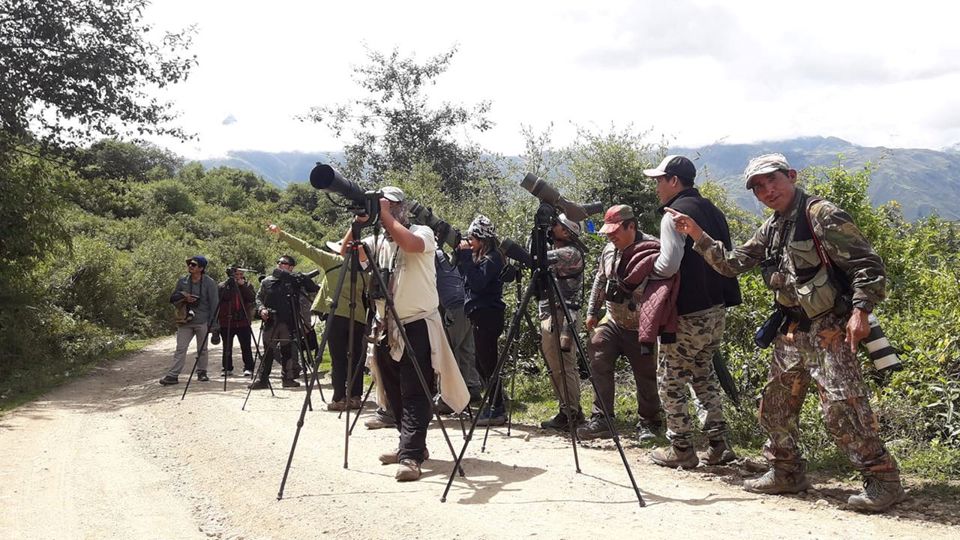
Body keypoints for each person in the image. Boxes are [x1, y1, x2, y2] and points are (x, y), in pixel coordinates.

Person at [666, 153, 905, 512]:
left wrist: (861, 312)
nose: (766, 190)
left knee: (843, 410)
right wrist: (697, 235)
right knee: (774, 406)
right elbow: (732, 265)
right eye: (758, 187)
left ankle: (883, 479)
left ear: (791, 176)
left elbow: (867, 265)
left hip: (829, 329)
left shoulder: (821, 214)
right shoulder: (773, 227)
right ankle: (786, 470)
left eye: (771, 180)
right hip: (791, 330)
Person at [341, 187, 468, 482]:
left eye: (390, 204)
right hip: (386, 324)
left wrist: (383, 215)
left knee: (415, 389)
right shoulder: (378, 241)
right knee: (391, 388)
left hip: (418, 324)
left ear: (401, 207)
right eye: (382, 204)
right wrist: (358, 224)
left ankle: (410, 456)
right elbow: (346, 252)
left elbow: (410, 245)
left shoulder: (423, 232)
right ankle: (411, 445)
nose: (385, 208)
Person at [642, 155, 741, 468]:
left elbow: (669, 264)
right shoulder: (713, 210)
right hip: (716, 309)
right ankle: (718, 443)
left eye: (659, 180)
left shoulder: (673, 215)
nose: (657, 187)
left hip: (686, 312)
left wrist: (647, 272)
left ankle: (681, 448)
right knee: (703, 372)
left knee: (670, 377)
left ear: (674, 181)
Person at [578, 205, 665, 442]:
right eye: (608, 232)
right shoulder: (609, 250)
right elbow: (600, 278)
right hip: (613, 320)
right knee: (598, 353)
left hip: (642, 325)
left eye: (616, 231)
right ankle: (602, 418)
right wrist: (592, 311)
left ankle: (649, 421)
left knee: (645, 373)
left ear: (631, 226)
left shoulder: (654, 248)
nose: (611, 236)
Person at [269, 225, 368, 411]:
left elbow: (306, 247)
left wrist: (282, 234)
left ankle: (339, 398)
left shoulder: (332, 261)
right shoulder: (364, 269)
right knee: (355, 358)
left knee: (338, 358)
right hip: (359, 317)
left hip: (337, 315)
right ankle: (355, 397)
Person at [456, 215, 507, 426]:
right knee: (481, 362)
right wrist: (461, 257)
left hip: (489, 315)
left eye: (472, 239)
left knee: (488, 362)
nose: (469, 242)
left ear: (482, 239)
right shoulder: (480, 257)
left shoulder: (494, 258)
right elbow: (466, 277)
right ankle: (494, 404)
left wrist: (467, 258)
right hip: (479, 314)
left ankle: (497, 407)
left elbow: (477, 283)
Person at [538, 214, 586, 430]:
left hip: (564, 316)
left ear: (567, 231)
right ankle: (568, 408)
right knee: (555, 367)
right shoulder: (560, 250)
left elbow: (536, 257)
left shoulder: (570, 253)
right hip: (552, 315)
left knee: (565, 367)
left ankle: (571, 414)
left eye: (555, 224)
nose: (551, 226)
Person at [435, 247, 483, 407]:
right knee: (466, 348)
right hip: (467, 303)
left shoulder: (433, 256)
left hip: (453, 306)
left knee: (450, 352)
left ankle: (450, 399)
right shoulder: (446, 255)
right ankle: (472, 387)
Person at [160, 255, 219, 385]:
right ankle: (173, 375)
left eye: (193, 265)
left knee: (202, 349)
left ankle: (202, 372)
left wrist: (214, 326)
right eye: (190, 264)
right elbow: (173, 298)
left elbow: (215, 304)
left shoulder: (209, 283)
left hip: (202, 320)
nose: (190, 267)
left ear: (201, 268)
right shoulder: (183, 281)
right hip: (185, 320)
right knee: (180, 348)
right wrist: (184, 297)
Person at [248, 255, 302, 390]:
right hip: (271, 321)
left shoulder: (293, 282)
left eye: (283, 263)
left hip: (288, 322)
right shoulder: (266, 282)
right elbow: (259, 298)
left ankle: (288, 378)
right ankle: (263, 380)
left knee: (287, 351)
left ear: (291, 267)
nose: (279, 264)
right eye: (278, 262)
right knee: (268, 352)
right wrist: (261, 309)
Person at [216, 267, 256, 377]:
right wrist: (231, 285)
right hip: (227, 321)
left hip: (243, 321)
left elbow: (251, 298)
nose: (238, 276)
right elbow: (224, 297)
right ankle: (227, 368)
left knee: (246, 346)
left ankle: (248, 367)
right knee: (227, 346)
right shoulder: (223, 286)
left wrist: (242, 286)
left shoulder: (247, 285)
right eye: (235, 274)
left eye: (240, 274)